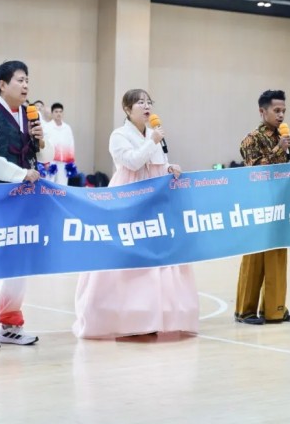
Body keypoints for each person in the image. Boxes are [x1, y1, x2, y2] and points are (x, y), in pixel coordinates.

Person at [73, 89, 199, 339]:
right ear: (127, 109)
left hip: (154, 201)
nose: (146, 106)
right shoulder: (119, 135)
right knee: (127, 253)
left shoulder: (154, 134)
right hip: (128, 198)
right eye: (140, 102)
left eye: (149, 102)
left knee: (157, 255)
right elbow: (132, 162)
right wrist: (152, 142)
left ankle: (153, 316)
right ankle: (125, 317)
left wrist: (169, 167)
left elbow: (157, 163)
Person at [0, 60, 54, 350]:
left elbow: (46, 157)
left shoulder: (30, 116)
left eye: (27, 80)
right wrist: (20, 174)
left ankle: (11, 323)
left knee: (19, 261)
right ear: (2, 85)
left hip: (24, 201)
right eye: (20, 80)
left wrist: (41, 140)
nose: (26, 85)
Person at [234, 89, 290, 325]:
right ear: (262, 111)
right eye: (276, 110)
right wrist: (279, 148)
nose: (281, 115)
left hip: (279, 205)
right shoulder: (251, 139)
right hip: (257, 205)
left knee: (277, 256)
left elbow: (281, 168)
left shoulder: (281, 136)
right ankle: (245, 310)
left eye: (283, 111)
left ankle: (274, 309)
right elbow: (256, 169)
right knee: (254, 258)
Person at [44, 102, 76, 186]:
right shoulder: (47, 127)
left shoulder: (67, 128)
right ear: (52, 113)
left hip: (64, 162)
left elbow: (71, 145)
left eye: (60, 112)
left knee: (62, 185)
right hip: (51, 161)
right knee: (50, 184)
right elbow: (44, 145)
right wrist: (45, 162)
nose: (58, 114)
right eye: (56, 112)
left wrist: (71, 161)